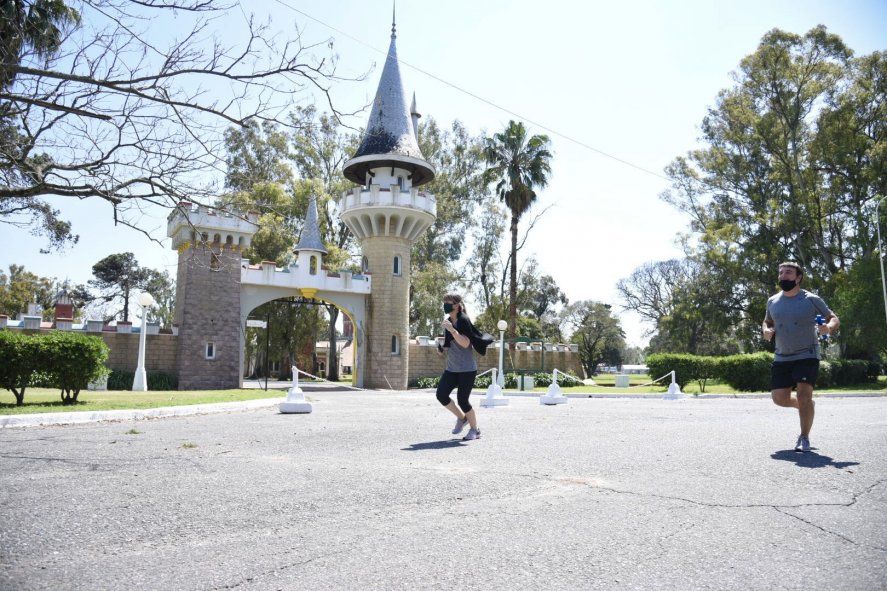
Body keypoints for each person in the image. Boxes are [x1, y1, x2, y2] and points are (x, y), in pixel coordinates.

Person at [762, 262, 839, 452]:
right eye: (780, 272)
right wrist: (766, 330)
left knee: (804, 395)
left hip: (807, 354)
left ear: (798, 278)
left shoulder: (811, 299)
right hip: (782, 356)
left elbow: (833, 318)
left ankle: (804, 437)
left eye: (788, 272)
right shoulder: (773, 301)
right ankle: (806, 406)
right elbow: (767, 321)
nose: (783, 276)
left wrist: (828, 328)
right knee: (779, 398)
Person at [435, 294, 481, 441]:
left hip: (467, 369)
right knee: (441, 395)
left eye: (447, 303)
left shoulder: (463, 320)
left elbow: (466, 343)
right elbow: (449, 346)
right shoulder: (448, 321)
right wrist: (441, 349)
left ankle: (475, 430)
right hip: (452, 368)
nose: (445, 305)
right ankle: (462, 418)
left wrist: (452, 330)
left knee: (463, 401)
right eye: (444, 302)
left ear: (456, 305)